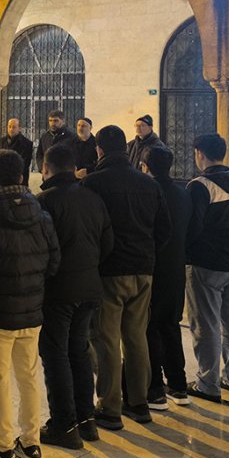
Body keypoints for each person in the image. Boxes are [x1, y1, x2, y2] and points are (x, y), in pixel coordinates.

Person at [0, 149, 59, 458]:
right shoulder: (41, 212)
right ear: (23, 176)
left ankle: (5, 447)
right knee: (29, 375)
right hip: (32, 311)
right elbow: (54, 261)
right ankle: (32, 443)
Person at [82, 124, 170, 430]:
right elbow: (164, 231)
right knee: (136, 336)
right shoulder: (149, 184)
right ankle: (139, 402)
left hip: (110, 272)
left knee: (107, 338)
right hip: (144, 270)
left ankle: (110, 406)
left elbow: (89, 230)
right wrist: (145, 254)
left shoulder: (94, 184)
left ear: (100, 150)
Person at [36, 144, 112, 449]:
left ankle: (63, 424)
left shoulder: (45, 201)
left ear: (46, 167)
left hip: (59, 290)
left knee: (55, 355)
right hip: (90, 286)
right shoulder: (93, 198)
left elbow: (42, 249)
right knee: (78, 352)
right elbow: (108, 242)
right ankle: (86, 420)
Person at [183, 134, 229, 402]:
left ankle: (207, 382)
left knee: (206, 323)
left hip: (208, 264)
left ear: (199, 153)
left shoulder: (200, 186)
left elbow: (194, 227)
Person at [141, 146, 193, 409]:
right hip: (176, 268)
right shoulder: (184, 194)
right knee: (171, 326)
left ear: (145, 166)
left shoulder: (148, 192)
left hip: (153, 268)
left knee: (150, 327)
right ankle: (179, 385)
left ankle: (155, 390)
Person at [0, 118, 34, 186]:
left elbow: (25, 163)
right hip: (2, 180)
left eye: (14, 127)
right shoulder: (0, 142)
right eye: (9, 127)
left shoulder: (27, 144)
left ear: (19, 128)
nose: (11, 129)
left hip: (19, 180)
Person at [35, 109, 73, 174]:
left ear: (63, 121)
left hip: (63, 174)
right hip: (47, 173)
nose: (52, 123)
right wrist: (41, 168)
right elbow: (39, 154)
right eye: (50, 121)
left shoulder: (70, 136)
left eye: (56, 121)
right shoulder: (45, 136)